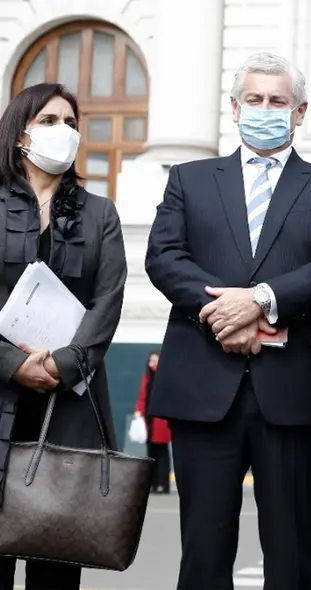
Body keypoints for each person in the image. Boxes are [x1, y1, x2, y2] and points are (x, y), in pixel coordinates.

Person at [144, 52, 311, 589]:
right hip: (204, 387)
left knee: (290, 552)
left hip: (293, 395)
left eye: (278, 101)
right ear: (235, 108)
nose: (266, 109)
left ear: (300, 111)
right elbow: (164, 257)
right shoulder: (189, 180)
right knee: (203, 549)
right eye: (255, 100)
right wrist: (223, 313)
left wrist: (262, 300)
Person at [0, 83, 127, 590]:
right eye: (50, 120)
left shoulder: (101, 213)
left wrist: (64, 363)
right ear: (20, 134)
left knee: (56, 564)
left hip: (69, 402)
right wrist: (12, 364)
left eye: (72, 123)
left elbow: (108, 301)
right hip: (3, 390)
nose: (65, 131)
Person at [134, 350, 171, 493]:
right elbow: (142, 397)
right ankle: (153, 484)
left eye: (156, 361)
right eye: (151, 361)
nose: (153, 364)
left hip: (161, 422)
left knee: (162, 455)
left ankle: (163, 484)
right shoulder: (146, 378)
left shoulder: (164, 377)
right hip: (149, 423)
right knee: (151, 454)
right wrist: (139, 412)